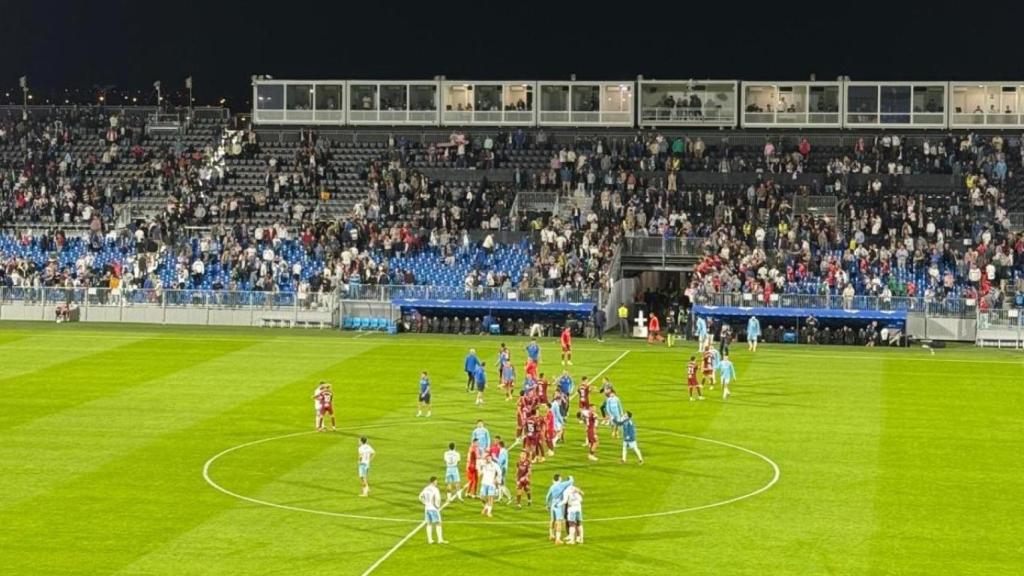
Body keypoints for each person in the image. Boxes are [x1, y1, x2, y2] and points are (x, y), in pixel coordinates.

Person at [419, 476, 449, 544]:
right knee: (438, 523)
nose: (437, 482)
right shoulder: (435, 489)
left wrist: (425, 503)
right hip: (434, 509)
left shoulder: (426, 488)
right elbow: (438, 499)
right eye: (436, 481)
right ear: (433, 482)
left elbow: (420, 497)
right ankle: (440, 539)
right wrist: (437, 506)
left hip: (427, 508)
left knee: (429, 524)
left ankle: (430, 540)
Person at [545, 474, 574, 544]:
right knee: (559, 522)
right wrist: (570, 476)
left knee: (552, 520)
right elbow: (571, 481)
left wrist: (547, 505)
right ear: (559, 479)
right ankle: (557, 539)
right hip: (559, 505)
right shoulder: (561, 485)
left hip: (553, 505)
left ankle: (551, 535)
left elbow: (548, 496)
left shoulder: (552, 487)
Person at [495, 439, 512, 503]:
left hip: (502, 469)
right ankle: (500, 498)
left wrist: (495, 459)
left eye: (498, 445)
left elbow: (501, 461)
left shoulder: (502, 451)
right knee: (499, 484)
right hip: (502, 468)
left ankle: (509, 498)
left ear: (500, 445)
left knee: (502, 484)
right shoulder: (503, 451)